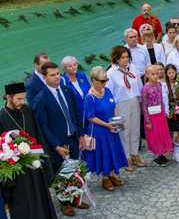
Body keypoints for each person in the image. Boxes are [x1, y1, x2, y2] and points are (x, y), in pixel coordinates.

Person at [33, 62, 89, 216]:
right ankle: (65, 203)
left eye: (58, 73)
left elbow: (76, 114)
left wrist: (82, 134)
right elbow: (43, 127)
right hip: (58, 143)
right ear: (45, 78)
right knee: (61, 174)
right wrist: (56, 145)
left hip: (74, 138)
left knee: (75, 170)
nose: (57, 77)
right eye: (52, 75)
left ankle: (76, 198)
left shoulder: (66, 90)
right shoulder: (41, 99)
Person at [0, 82, 57, 219]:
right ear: (9, 97)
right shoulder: (1, 117)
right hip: (19, 173)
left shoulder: (28, 110)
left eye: (23, 98)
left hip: (36, 166)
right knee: (24, 205)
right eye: (18, 99)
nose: (22, 102)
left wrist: (45, 163)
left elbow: (39, 135)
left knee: (42, 199)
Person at [83, 66, 128, 191]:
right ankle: (105, 178)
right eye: (102, 81)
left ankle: (112, 174)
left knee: (114, 150)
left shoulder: (107, 90)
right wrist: (107, 125)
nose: (105, 83)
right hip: (100, 130)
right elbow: (90, 117)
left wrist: (117, 121)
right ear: (94, 80)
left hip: (111, 127)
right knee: (104, 153)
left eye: (106, 80)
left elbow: (113, 106)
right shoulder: (90, 97)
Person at [106, 46, 146, 170]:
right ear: (116, 59)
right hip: (120, 104)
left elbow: (139, 85)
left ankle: (135, 154)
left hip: (134, 100)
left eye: (127, 57)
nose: (125, 60)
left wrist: (140, 100)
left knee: (135, 129)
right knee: (123, 132)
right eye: (122, 57)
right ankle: (126, 157)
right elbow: (109, 92)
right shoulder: (111, 73)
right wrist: (112, 110)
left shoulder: (133, 68)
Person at [141, 65, 173, 166]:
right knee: (155, 135)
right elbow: (144, 105)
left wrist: (164, 112)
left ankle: (163, 153)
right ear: (147, 75)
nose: (155, 76)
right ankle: (158, 156)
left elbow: (161, 100)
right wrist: (147, 121)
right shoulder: (145, 88)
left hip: (160, 114)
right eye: (152, 74)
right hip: (151, 116)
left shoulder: (159, 85)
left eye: (156, 74)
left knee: (162, 133)